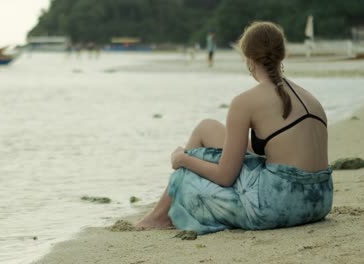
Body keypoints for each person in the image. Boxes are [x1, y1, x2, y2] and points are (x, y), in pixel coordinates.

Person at [136, 21, 333, 234]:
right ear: (282, 55)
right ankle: (159, 214)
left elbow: (225, 176)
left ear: (248, 58)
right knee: (207, 128)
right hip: (320, 200)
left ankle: (159, 215)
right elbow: (280, 150)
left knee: (190, 174)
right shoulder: (309, 97)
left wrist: (182, 159)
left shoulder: (245, 102)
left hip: (277, 204)